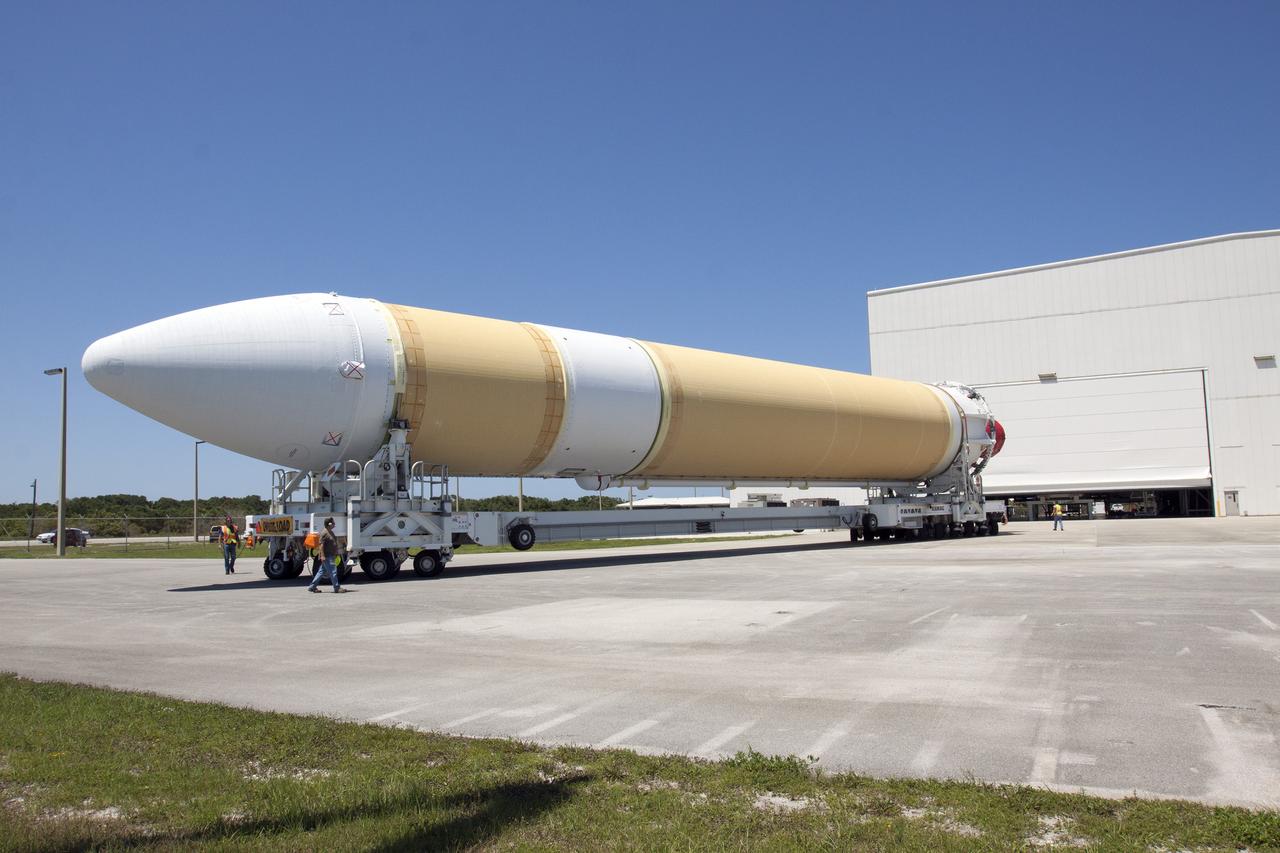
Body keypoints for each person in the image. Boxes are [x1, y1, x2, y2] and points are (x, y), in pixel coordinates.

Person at [308, 518, 345, 593]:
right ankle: (336, 588)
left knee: (321, 572)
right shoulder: (324, 533)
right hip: (328, 556)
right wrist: (322, 555)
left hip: (331, 555)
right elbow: (321, 545)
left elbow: (333, 542)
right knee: (333, 571)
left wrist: (336, 552)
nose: (335, 524)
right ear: (330, 524)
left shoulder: (330, 532)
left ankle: (312, 587)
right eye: (333, 523)